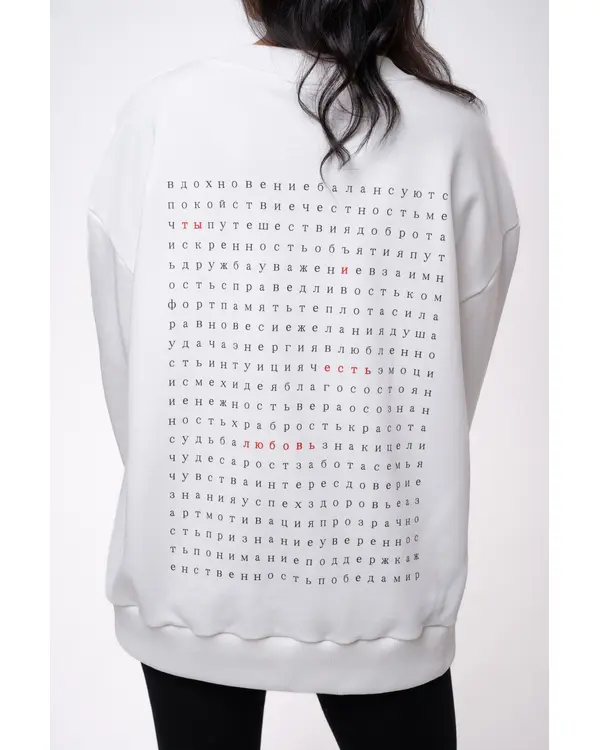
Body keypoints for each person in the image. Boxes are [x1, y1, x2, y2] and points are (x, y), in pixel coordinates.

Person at [86, 1, 520, 747]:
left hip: (192, 567)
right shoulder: (454, 131)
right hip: (384, 579)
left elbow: (126, 356)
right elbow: (456, 374)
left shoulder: (161, 113)